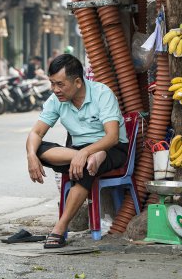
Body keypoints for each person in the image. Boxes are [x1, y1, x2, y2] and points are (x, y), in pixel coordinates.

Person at [25, 54, 128, 249]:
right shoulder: (57, 100)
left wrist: (86, 153)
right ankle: (89, 158)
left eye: (60, 84)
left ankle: (59, 228)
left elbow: (112, 136)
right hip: (80, 152)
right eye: (52, 84)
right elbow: (36, 132)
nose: (55, 90)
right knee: (39, 148)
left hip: (111, 148)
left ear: (78, 82)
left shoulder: (101, 94)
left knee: (86, 169)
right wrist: (31, 155)